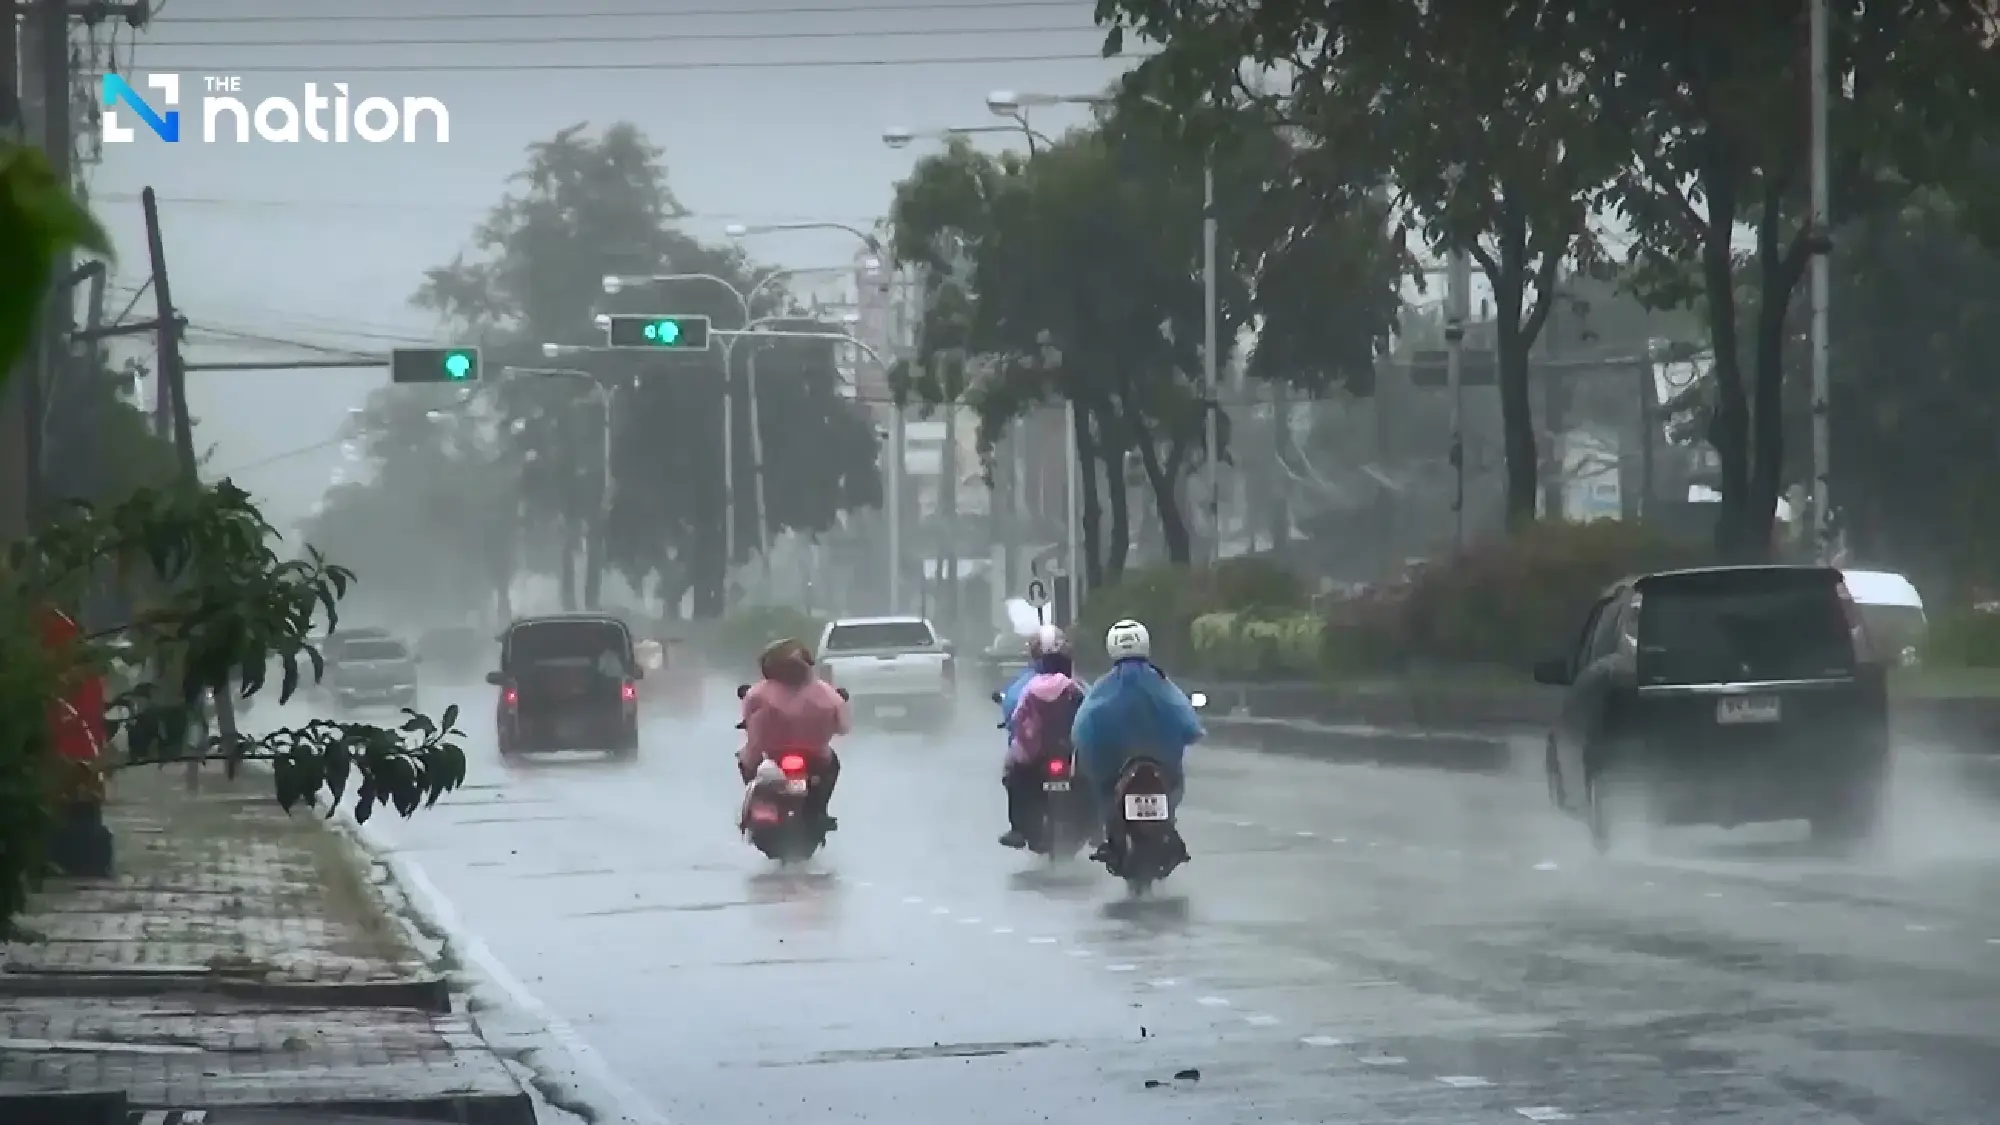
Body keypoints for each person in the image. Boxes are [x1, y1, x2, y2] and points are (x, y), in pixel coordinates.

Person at [1072, 618, 1204, 863]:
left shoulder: (1105, 685)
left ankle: (1113, 838)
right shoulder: (1160, 681)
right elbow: (1184, 714)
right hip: (1159, 759)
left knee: (1102, 788)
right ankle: (1168, 826)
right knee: (1175, 783)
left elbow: (1084, 722)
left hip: (1118, 761)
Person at [737, 638, 849, 832]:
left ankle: (751, 810)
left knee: (747, 763)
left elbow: (746, 718)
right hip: (816, 755)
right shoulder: (825, 693)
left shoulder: (759, 692)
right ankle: (819, 811)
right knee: (831, 768)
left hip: (769, 753)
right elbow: (843, 726)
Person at [999, 626, 1086, 849]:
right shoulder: (1075, 685)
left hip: (1036, 751)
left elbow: (1015, 714)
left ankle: (1018, 828)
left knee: (1012, 772)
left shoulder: (1026, 685)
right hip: (1067, 748)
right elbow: (1090, 712)